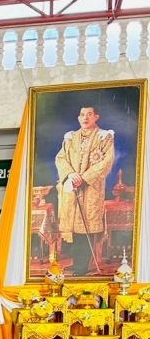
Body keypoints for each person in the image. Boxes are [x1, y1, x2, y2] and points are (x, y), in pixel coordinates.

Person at [55, 105, 115, 276]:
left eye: (89, 114)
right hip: (72, 187)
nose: (85, 118)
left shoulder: (104, 137)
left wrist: (84, 177)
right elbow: (60, 158)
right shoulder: (70, 137)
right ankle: (77, 263)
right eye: (82, 114)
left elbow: (106, 162)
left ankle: (81, 267)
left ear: (96, 116)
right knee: (74, 228)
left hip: (90, 189)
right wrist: (70, 174)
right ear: (78, 117)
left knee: (85, 227)